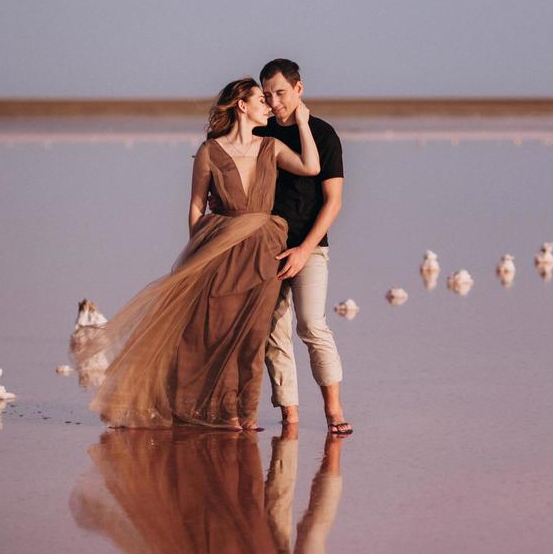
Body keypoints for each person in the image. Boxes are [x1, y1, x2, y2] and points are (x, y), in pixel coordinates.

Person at [78, 78, 320, 430]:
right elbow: (195, 206)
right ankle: (206, 409)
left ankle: (243, 414)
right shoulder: (210, 151)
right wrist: (198, 253)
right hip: (218, 249)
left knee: (252, 336)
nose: (268, 105)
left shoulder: (271, 147)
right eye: (260, 100)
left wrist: (302, 121)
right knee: (210, 331)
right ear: (242, 106)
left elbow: (311, 167)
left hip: (264, 250)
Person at [256, 59, 352, 436]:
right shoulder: (260, 131)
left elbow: (334, 201)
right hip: (266, 245)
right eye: (267, 95)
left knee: (312, 324)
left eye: (281, 92)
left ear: (299, 89)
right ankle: (290, 416)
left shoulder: (323, 134)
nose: (275, 101)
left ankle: (334, 410)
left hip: (310, 248)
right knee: (273, 330)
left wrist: (303, 249)